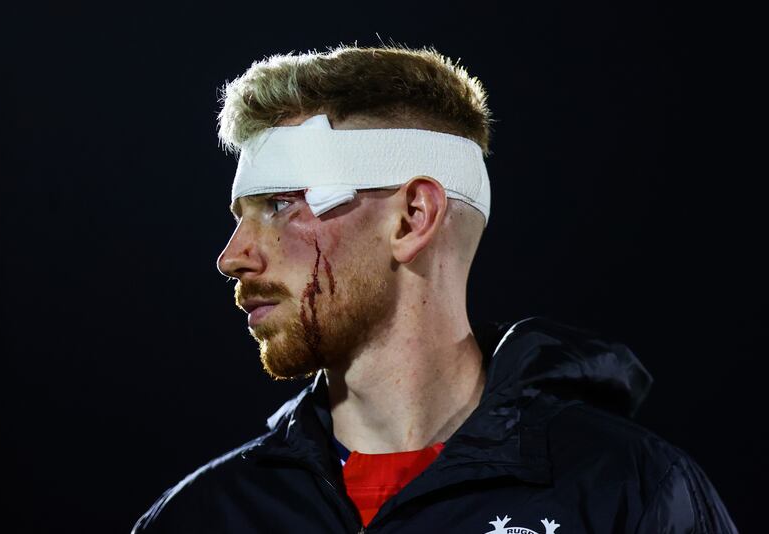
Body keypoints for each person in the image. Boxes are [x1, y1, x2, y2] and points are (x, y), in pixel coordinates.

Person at [132, 45, 737, 533]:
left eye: (282, 204)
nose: (233, 256)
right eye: (240, 216)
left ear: (412, 217)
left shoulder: (630, 495)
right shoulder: (202, 517)